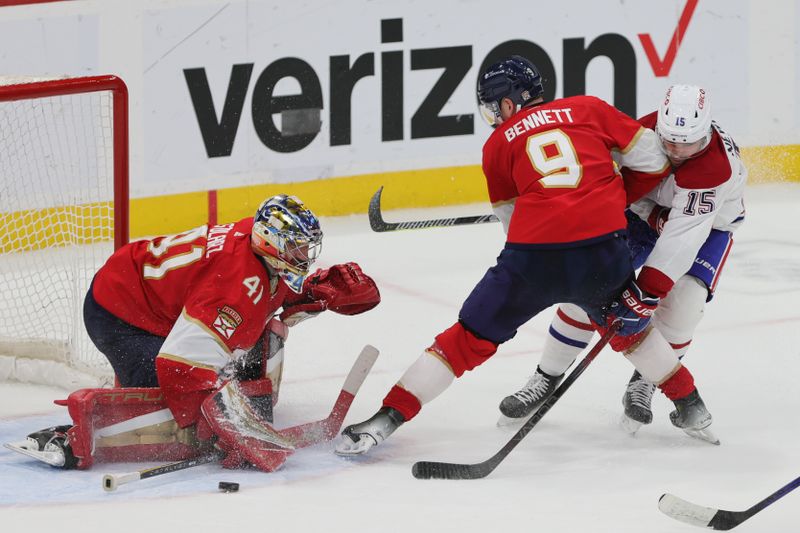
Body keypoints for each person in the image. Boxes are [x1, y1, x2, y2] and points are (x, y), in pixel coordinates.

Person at [335, 56, 716, 457]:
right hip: (603, 249)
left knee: (465, 339)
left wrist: (550, 219)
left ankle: (387, 418)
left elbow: (511, 222)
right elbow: (656, 160)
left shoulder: (496, 145)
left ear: (508, 104)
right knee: (632, 332)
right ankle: (691, 405)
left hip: (532, 258)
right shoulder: (588, 107)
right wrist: (607, 191)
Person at [11, 195, 380, 471]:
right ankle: (71, 437)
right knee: (166, 401)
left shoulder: (256, 248)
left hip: (148, 293)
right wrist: (228, 427)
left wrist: (322, 291)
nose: (304, 255)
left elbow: (278, 290)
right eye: (296, 247)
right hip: (120, 315)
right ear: (271, 241)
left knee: (248, 348)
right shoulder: (234, 289)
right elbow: (180, 368)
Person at [498, 85, 746, 434]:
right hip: (645, 216)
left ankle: (646, 379)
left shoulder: (715, 168)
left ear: (704, 133)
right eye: (669, 140)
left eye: (686, 143)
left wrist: (647, 290)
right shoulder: (643, 132)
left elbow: (682, 237)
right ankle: (545, 376)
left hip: (708, 229)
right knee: (588, 284)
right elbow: (611, 181)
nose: (675, 151)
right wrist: (643, 212)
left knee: (684, 305)